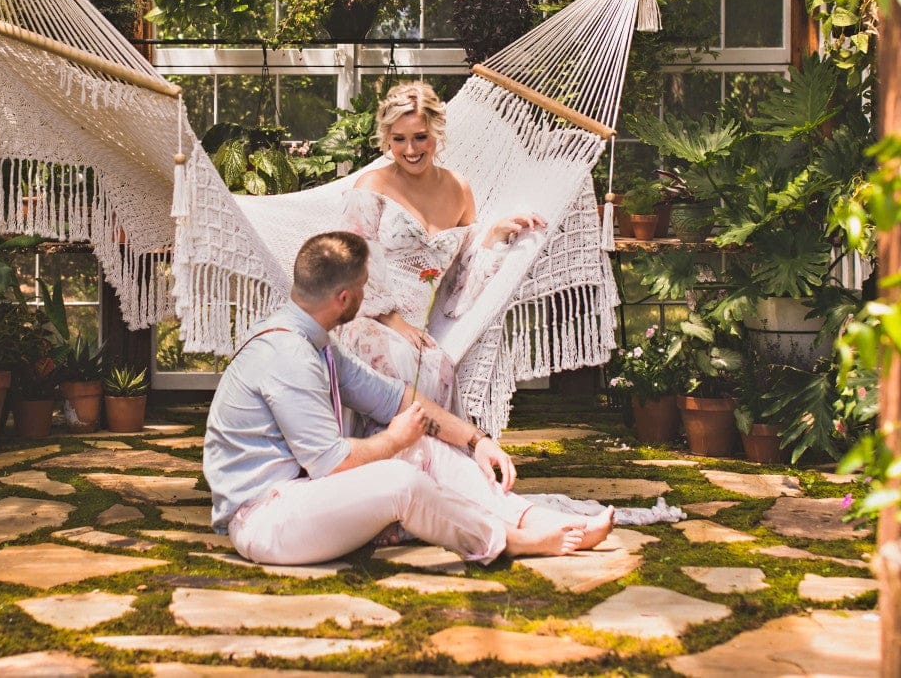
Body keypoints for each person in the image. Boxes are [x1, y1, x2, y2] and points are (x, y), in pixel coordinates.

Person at [204, 230, 614, 567]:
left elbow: (397, 398)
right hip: (264, 520)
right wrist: (394, 441)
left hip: (301, 497)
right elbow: (330, 462)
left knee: (422, 448)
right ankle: (510, 541)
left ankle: (532, 518)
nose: (368, 297)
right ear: (345, 298)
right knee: (401, 479)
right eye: (364, 287)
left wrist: (477, 440)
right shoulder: (288, 354)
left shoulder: (315, 341)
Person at [336, 81, 544, 425]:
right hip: (367, 320)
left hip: (420, 330)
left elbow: (462, 273)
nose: (410, 149)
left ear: (437, 133)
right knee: (398, 362)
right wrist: (392, 320)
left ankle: (426, 466)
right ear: (387, 138)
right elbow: (348, 263)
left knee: (438, 365)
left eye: (420, 136)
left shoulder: (459, 188)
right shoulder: (370, 187)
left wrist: (493, 234)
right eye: (399, 139)